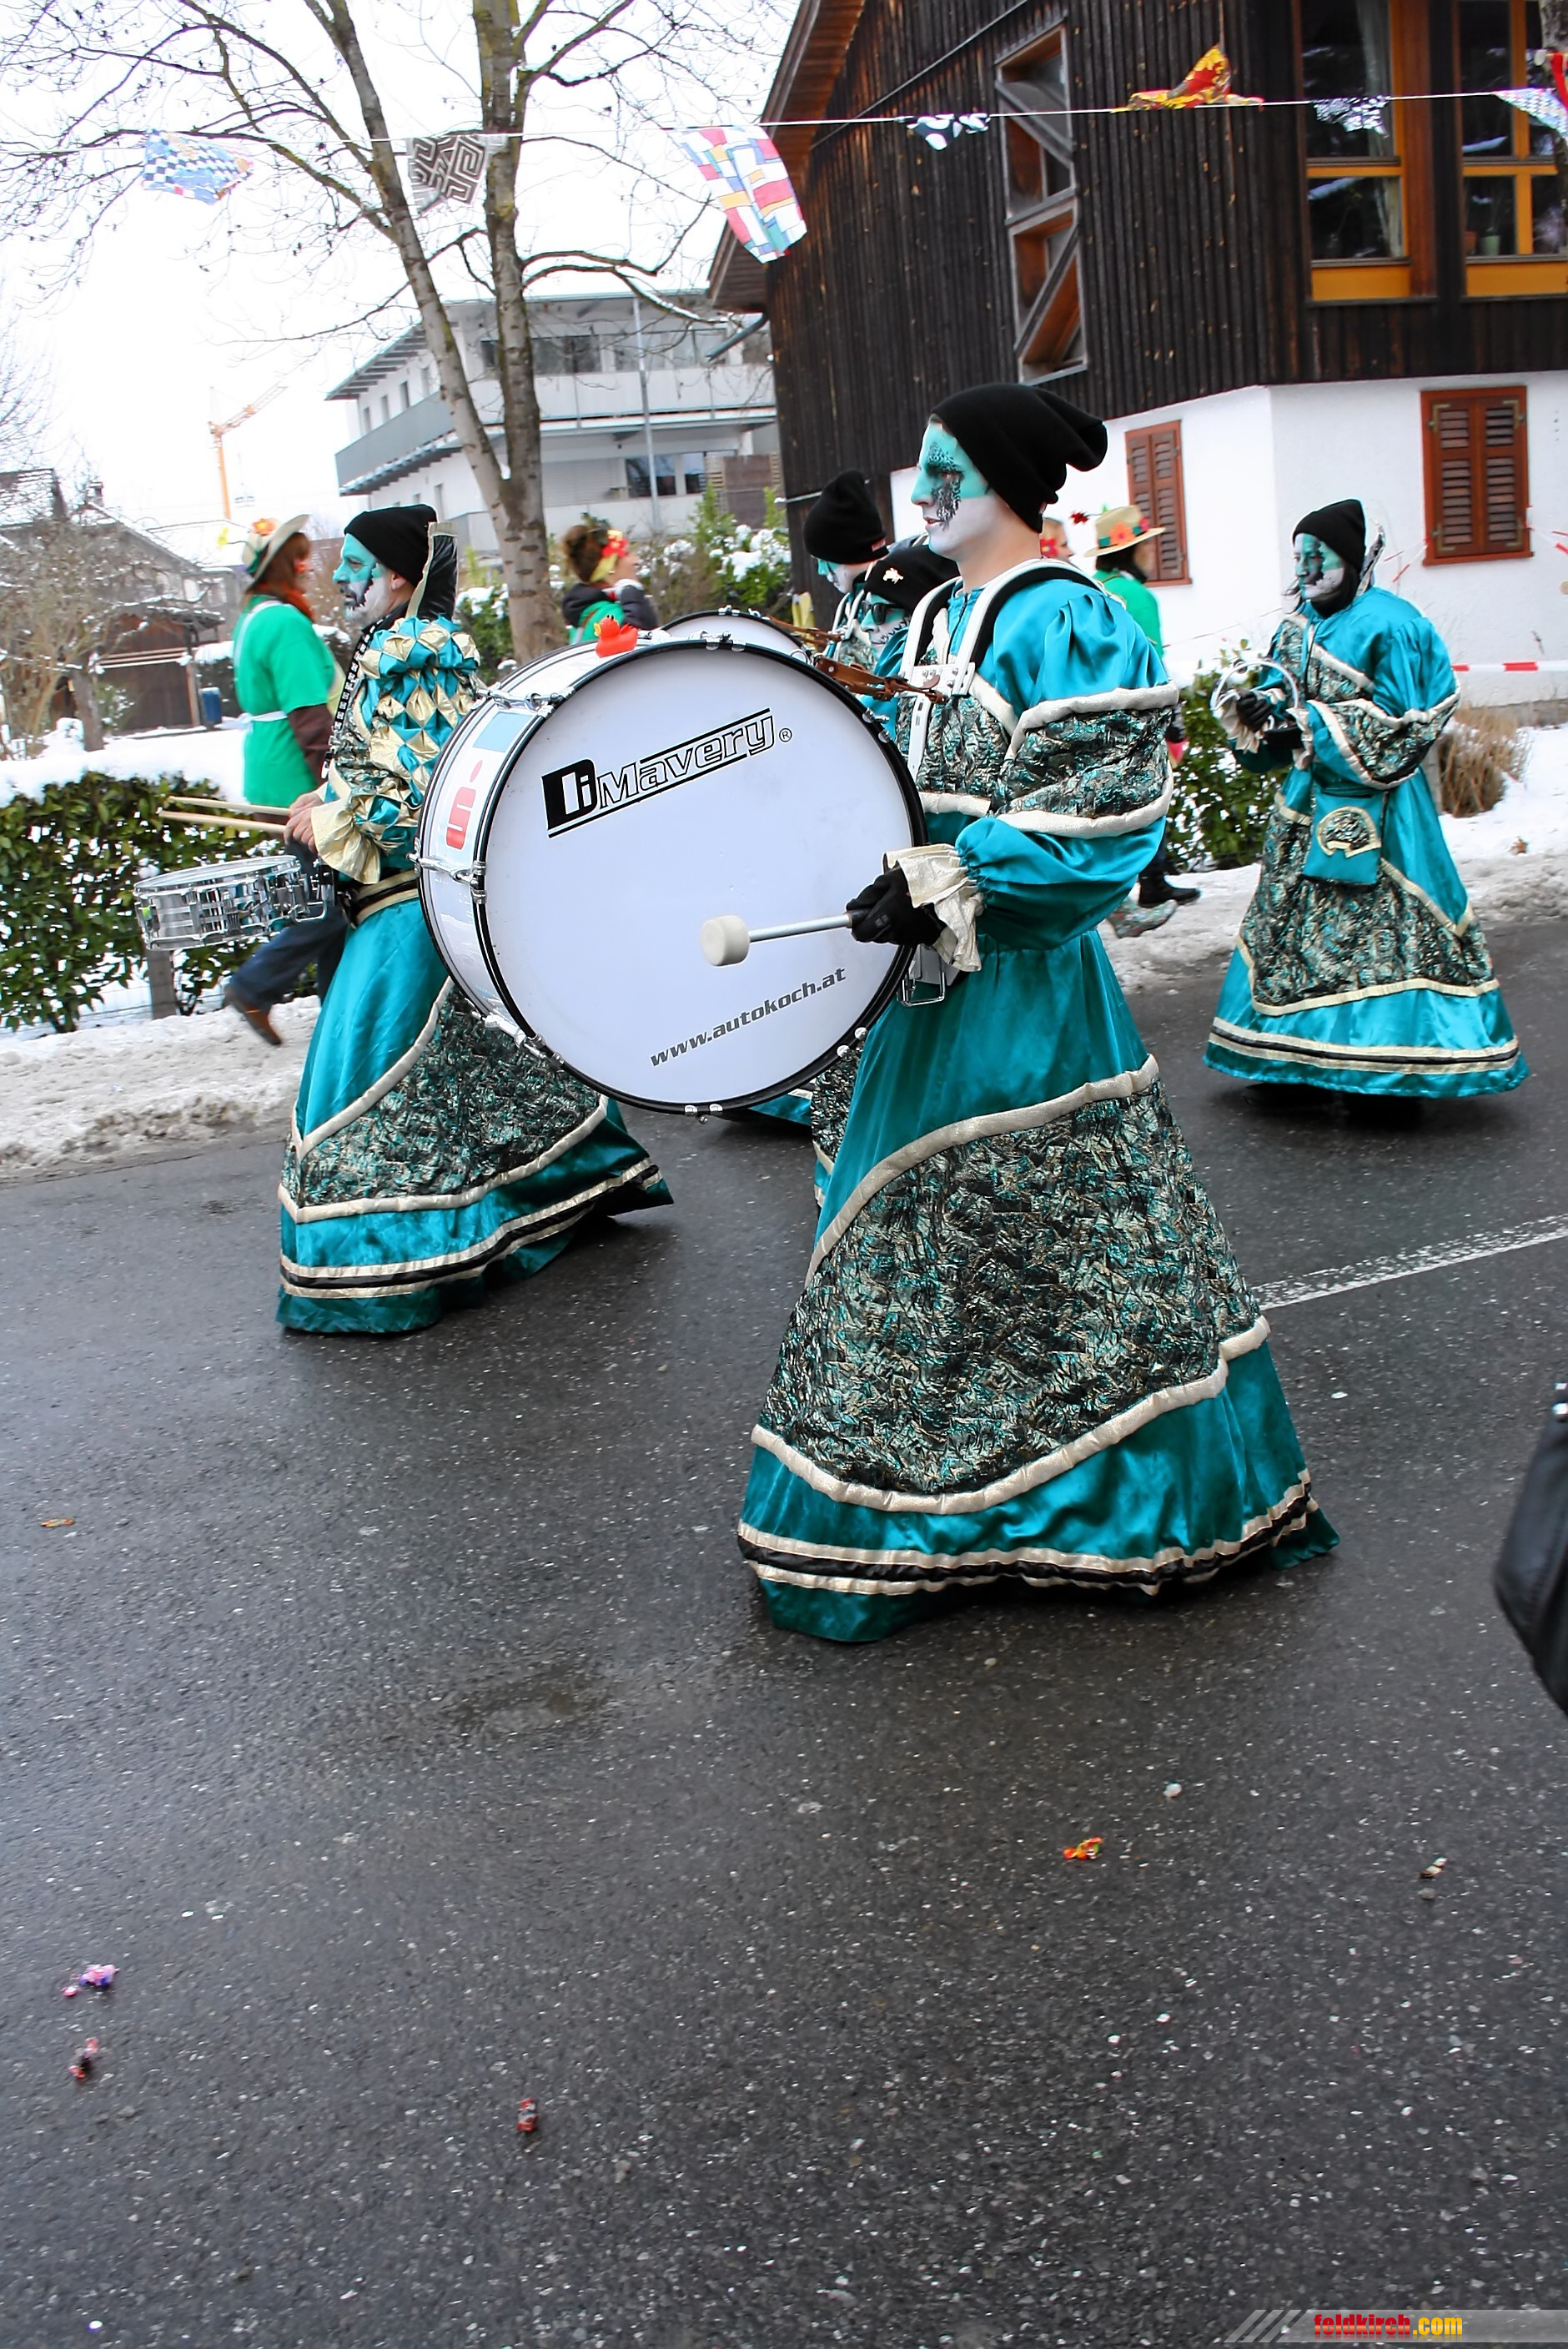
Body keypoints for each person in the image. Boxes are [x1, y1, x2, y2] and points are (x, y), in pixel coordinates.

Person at [736, 381, 1335, 1642]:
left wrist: (960, 879)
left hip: (1025, 994)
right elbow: (887, 780)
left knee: (1046, 1237)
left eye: (944, 467)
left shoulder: (1065, 614)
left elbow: (1102, 820)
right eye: (920, 466)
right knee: (920, 1237)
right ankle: (947, 1492)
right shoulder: (935, 613)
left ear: (1006, 483)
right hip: (920, 984)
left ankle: (1076, 1496)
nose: (922, 491)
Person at [277, 502, 671, 1335]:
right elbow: (379, 768)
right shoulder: (398, 644)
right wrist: (326, 798)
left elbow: (424, 798)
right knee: (474, 1065)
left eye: (357, 565)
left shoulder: (412, 652)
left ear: (398, 575)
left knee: (370, 1082)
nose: (340, 579)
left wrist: (335, 817)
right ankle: (541, 1194)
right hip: (417, 897)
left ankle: (400, 1257)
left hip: (408, 903)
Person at [1205, 498, 1526, 1102]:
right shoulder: (1296, 625)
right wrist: (1260, 711)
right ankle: (1293, 1062)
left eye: (1318, 555)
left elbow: (1410, 721)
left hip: (1386, 817)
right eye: (1299, 556)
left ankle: (1392, 1070)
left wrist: (1310, 726)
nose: (1306, 568)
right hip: (1307, 807)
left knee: (1388, 933)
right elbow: (1281, 694)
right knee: (1291, 929)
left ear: (1352, 559)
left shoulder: (1394, 624)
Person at [223, 515, 349, 1046]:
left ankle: (338, 1012)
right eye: (298, 557)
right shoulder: (283, 623)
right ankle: (254, 986)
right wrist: (333, 786)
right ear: (279, 566)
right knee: (333, 908)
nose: (307, 565)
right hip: (298, 783)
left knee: (330, 901)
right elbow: (309, 715)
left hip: (271, 774)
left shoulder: (252, 619)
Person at [1092, 503, 1199, 936]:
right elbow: (1152, 663)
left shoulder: (1089, 588)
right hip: (1135, 714)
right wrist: (1173, 717)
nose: (1153, 554)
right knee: (1149, 796)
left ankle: (1135, 886)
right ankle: (1152, 882)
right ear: (1130, 551)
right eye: (1146, 546)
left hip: (1094, 716)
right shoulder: (1138, 597)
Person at [560, 521, 658, 642]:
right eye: (627, 554)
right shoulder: (607, 615)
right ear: (610, 567)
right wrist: (632, 593)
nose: (636, 560)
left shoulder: (589, 610)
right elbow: (641, 640)